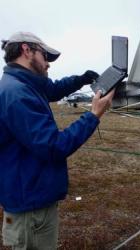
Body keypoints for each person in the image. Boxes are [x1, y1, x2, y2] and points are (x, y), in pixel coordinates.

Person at [0, 32, 114, 249]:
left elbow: (51, 89)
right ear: (26, 50)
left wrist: (80, 79)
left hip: (29, 197)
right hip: (30, 210)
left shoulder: (21, 83)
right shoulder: (17, 94)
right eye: (45, 56)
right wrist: (93, 116)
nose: (48, 64)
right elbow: (53, 147)